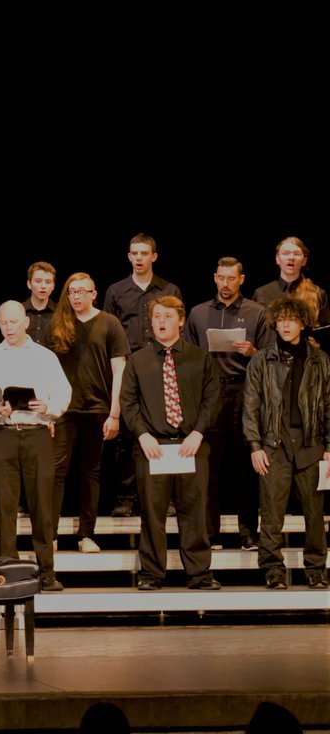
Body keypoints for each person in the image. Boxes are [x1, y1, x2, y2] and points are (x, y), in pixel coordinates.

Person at [121, 296, 221, 591]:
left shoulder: (199, 357)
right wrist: (142, 434)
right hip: (154, 447)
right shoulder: (138, 359)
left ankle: (199, 574)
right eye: (156, 317)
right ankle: (152, 574)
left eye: (167, 316)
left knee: (194, 511)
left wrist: (198, 432)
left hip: (190, 444)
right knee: (152, 514)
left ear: (180, 319)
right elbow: (128, 402)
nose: (161, 321)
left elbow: (212, 398)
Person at [0, 302, 71, 591]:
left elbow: (64, 392)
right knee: (4, 505)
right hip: (2, 434)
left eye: (13, 322)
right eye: (3, 323)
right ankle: (5, 569)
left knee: (42, 503)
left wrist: (47, 407)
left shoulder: (45, 357)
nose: (8, 328)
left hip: (36, 433)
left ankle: (46, 571)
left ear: (26, 322)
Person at [242, 297, 329, 590]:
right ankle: (273, 570)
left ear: (302, 323)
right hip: (274, 445)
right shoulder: (261, 360)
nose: (286, 325)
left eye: (291, 320)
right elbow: (251, 406)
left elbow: (329, 405)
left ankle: (316, 569)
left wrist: (329, 448)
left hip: (311, 445)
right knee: (271, 513)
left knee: (314, 515)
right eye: (281, 320)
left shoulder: (320, 360)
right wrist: (255, 446)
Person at [183, 257, 270, 550]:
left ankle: (248, 532)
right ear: (214, 278)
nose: (226, 284)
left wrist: (253, 351)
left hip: (245, 391)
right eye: (221, 278)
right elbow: (185, 355)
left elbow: (272, 359)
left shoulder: (257, 312)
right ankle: (211, 533)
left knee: (247, 466)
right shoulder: (198, 313)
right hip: (210, 394)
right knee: (209, 466)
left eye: (231, 278)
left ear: (241, 279)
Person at [103, 233, 184, 518]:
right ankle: (126, 497)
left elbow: (178, 328)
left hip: (162, 365)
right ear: (129, 256)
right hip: (128, 366)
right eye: (134, 253)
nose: (138, 258)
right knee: (127, 432)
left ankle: (168, 496)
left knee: (165, 429)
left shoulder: (169, 288)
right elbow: (109, 332)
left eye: (143, 253)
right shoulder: (116, 291)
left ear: (154, 256)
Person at [49, 272, 128, 554]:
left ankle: (86, 534)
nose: (77, 296)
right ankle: (51, 536)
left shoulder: (109, 323)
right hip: (63, 409)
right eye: (72, 292)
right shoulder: (58, 325)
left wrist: (115, 413)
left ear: (94, 294)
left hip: (97, 408)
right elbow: (47, 370)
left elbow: (119, 369)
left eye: (83, 291)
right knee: (57, 471)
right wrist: (48, 413)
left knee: (90, 473)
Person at [253, 236, 330, 327]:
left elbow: (325, 330)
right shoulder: (262, 293)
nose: (291, 258)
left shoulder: (318, 293)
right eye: (286, 253)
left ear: (304, 260)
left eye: (296, 254)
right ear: (277, 259)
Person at [24, 261, 57, 346]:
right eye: (38, 281)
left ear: (53, 286)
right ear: (29, 284)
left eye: (48, 282)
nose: (43, 286)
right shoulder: (18, 311)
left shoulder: (61, 312)